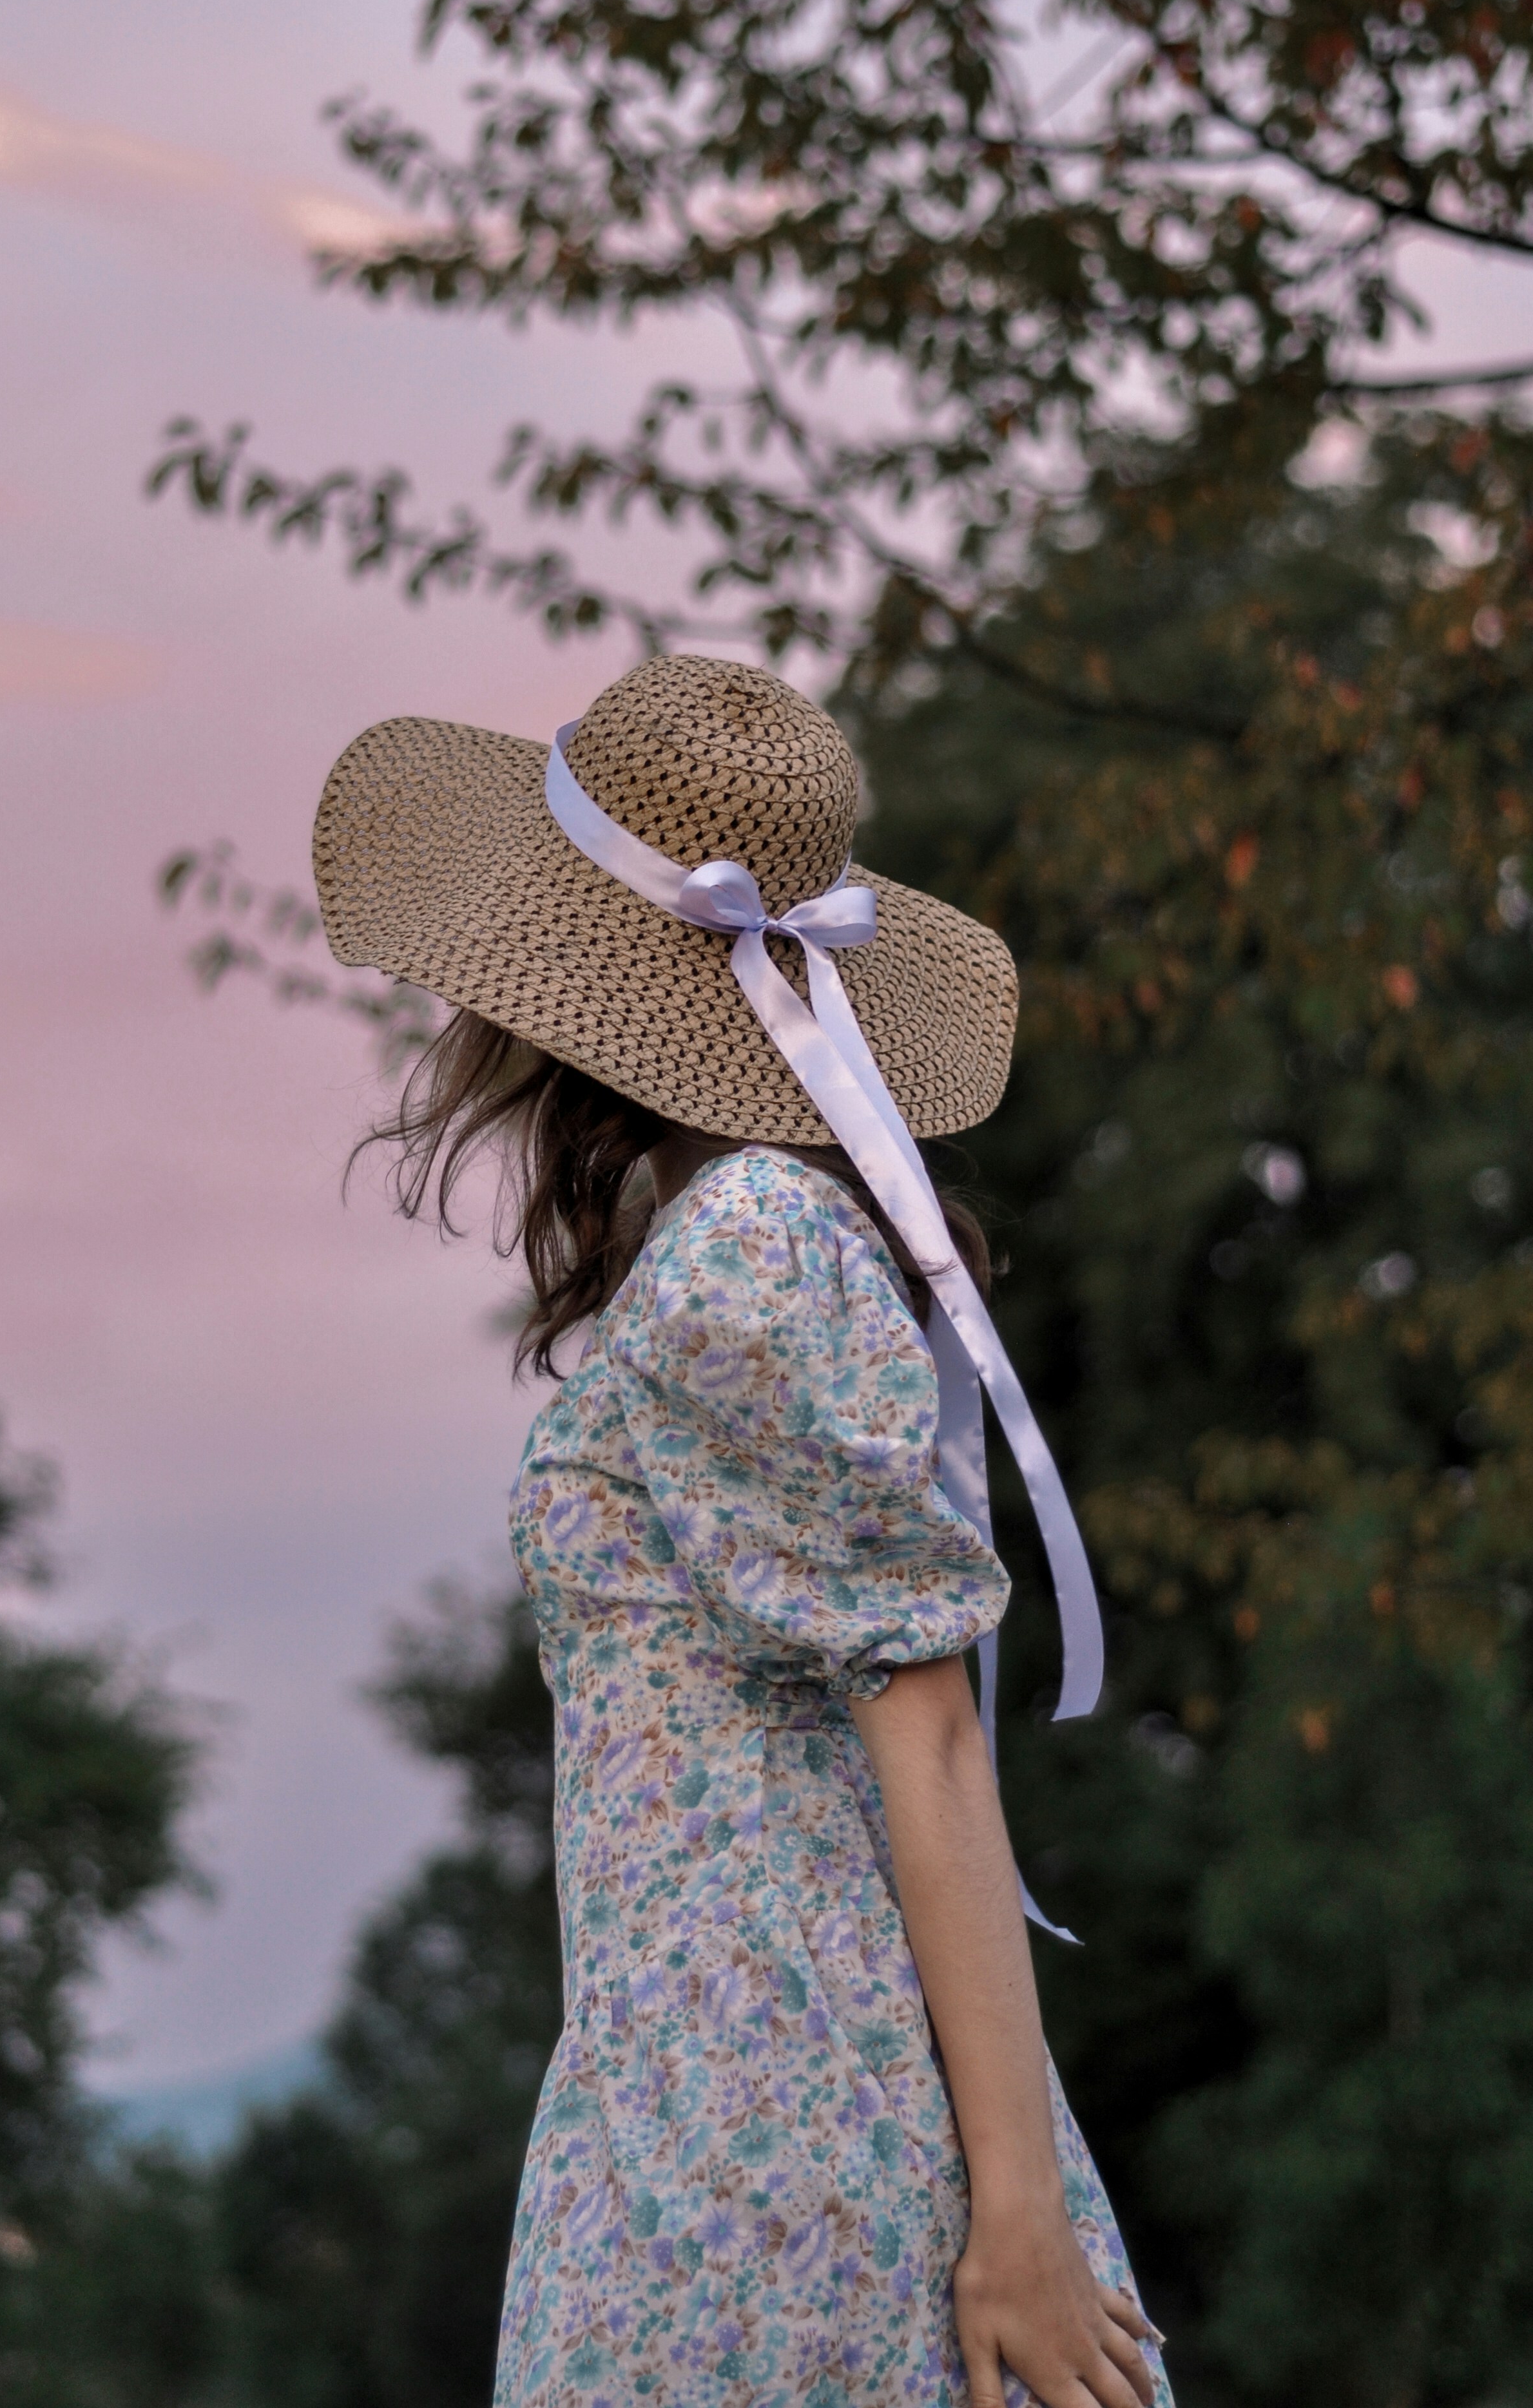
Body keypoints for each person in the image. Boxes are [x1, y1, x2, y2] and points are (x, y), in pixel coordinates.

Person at [314, 655, 1171, 2408]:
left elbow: (924, 1728)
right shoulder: (742, 1235)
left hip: (767, 2129)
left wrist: (1017, 2222)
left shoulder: (751, 1249)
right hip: (718, 2084)